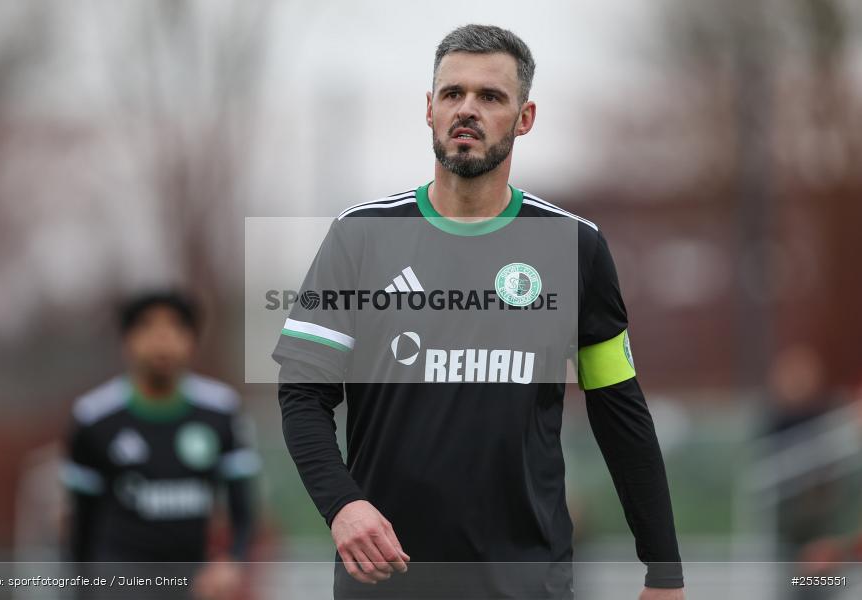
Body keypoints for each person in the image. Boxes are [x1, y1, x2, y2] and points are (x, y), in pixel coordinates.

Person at [273, 24, 684, 599]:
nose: (467, 109)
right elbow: (302, 393)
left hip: (526, 580)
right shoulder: (359, 237)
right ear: (429, 109)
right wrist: (342, 504)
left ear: (525, 118)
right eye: (452, 93)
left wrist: (663, 569)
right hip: (387, 580)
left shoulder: (575, 248)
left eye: (490, 97)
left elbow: (619, 411)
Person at [61, 290, 260, 599]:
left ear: (192, 340)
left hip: (194, 580)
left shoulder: (221, 410)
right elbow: (81, 520)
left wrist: (233, 560)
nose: (162, 339)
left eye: (176, 327)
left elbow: (243, 506)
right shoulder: (94, 416)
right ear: (127, 341)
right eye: (148, 327)